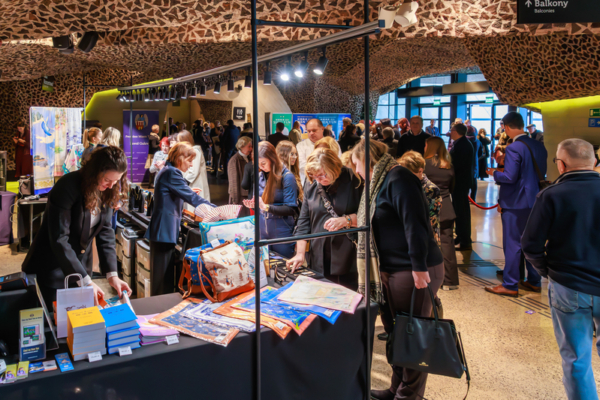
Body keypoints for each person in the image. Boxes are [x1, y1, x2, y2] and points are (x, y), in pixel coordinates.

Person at [351, 140, 443, 400]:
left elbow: (415, 223)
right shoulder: (379, 182)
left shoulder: (398, 177)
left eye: (356, 165)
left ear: (367, 159)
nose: (356, 171)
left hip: (413, 268)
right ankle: (396, 388)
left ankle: (408, 395)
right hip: (391, 267)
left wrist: (418, 266)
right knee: (395, 332)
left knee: (412, 336)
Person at [522, 138, 600, 400]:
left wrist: (547, 271)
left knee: (576, 358)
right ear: (595, 162)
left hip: (568, 284)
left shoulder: (552, 195)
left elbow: (530, 244)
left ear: (562, 165)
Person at [22, 146, 131, 306]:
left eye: (116, 181)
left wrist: (112, 275)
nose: (111, 185)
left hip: (81, 268)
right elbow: (60, 239)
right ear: (95, 171)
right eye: (108, 180)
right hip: (52, 267)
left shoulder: (108, 191)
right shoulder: (67, 186)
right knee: (54, 318)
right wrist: (85, 280)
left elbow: (105, 232)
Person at [484, 111, 547, 297]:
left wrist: (494, 173)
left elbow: (509, 177)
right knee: (531, 241)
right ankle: (534, 281)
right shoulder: (539, 145)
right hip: (535, 199)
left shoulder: (514, 147)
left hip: (516, 202)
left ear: (506, 127)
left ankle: (510, 284)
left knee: (512, 243)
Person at [146, 143, 216, 295]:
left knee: (162, 277)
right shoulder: (172, 173)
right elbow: (193, 198)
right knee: (162, 281)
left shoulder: (167, 170)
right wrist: (218, 210)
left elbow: (180, 193)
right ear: (180, 159)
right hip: (164, 231)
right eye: (189, 161)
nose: (191, 165)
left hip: (162, 230)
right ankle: (160, 307)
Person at [287, 148, 362, 289]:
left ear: (334, 167)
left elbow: (369, 215)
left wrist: (345, 220)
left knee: (347, 294)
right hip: (318, 254)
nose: (318, 180)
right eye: (314, 176)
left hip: (348, 254)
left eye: (322, 175)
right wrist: (300, 254)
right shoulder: (312, 182)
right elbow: (304, 221)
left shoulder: (354, 179)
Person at [243, 142, 298, 258]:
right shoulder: (260, 176)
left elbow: (291, 209)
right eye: (258, 164)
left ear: (272, 158)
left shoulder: (287, 177)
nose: (261, 167)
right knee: (264, 264)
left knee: (283, 264)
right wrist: (254, 205)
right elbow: (259, 204)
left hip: (282, 232)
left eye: (263, 163)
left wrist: (266, 207)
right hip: (262, 230)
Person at [424, 136, 458, 290]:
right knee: (447, 244)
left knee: (426, 243)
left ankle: (430, 278)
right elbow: (452, 188)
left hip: (428, 208)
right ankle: (450, 281)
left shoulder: (424, 165)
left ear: (429, 147)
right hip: (446, 208)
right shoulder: (448, 165)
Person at [398, 151, 442, 243]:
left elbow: (432, 221)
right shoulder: (403, 184)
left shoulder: (431, 189)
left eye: (408, 173)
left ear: (420, 171)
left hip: (423, 238)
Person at [449, 123, 474, 251]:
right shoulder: (460, 143)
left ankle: (465, 240)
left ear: (456, 131)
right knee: (458, 211)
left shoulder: (462, 145)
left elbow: (457, 164)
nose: (450, 132)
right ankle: (460, 236)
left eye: (452, 130)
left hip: (460, 182)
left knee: (461, 212)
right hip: (459, 182)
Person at [297, 118, 342, 185]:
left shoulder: (333, 143)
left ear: (322, 129)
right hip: (309, 183)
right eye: (309, 131)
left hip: (331, 182)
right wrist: (321, 172)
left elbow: (338, 162)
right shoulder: (300, 145)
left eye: (314, 130)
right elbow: (301, 165)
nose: (311, 133)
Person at [177, 130, 210, 208]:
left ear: (186, 141)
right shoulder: (189, 151)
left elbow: (193, 171)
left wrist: (183, 182)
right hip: (191, 185)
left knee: (196, 209)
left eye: (179, 141)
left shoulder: (195, 151)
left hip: (195, 184)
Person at [276, 140, 303, 206]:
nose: (295, 157)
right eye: (292, 154)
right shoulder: (278, 175)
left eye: (296, 154)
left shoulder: (293, 172)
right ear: (282, 155)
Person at [228, 136, 252, 208]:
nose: (251, 149)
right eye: (249, 146)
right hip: (240, 198)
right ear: (242, 146)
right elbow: (233, 182)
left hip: (247, 196)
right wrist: (235, 200)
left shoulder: (248, 157)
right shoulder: (234, 160)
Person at [466, 128, 481, 200]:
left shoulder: (465, 141)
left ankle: (465, 197)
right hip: (474, 163)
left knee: (465, 181)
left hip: (465, 163)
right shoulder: (477, 141)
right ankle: (473, 198)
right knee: (474, 181)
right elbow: (481, 153)